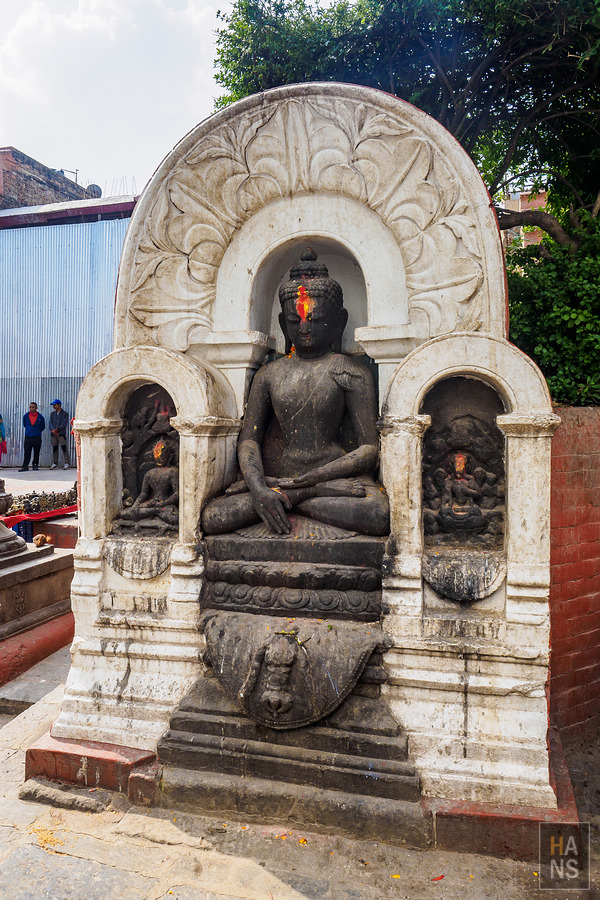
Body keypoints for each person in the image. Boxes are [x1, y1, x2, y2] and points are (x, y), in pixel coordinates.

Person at [202, 249, 389, 537]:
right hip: (281, 478)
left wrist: (313, 481)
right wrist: (258, 487)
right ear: (282, 324)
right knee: (213, 516)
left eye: (315, 319)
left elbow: (368, 450)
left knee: (378, 515)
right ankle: (290, 497)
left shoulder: (351, 373)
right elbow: (249, 440)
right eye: (295, 320)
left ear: (339, 321)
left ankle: (295, 498)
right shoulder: (269, 374)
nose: (304, 328)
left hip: (337, 477)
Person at [19, 402, 45, 472]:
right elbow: (25, 425)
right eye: (30, 407)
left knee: (36, 452)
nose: (31, 408)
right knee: (27, 452)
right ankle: (25, 466)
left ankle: (35, 465)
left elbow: (43, 427)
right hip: (28, 437)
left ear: (36, 408)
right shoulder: (26, 416)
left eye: (33, 407)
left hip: (37, 437)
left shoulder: (40, 417)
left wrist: (37, 431)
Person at [49, 399, 70, 469]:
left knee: (64, 448)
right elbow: (50, 423)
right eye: (53, 405)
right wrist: (53, 430)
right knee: (54, 448)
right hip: (53, 435)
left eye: (55, 405)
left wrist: (57, 429)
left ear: (59, 405)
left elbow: (64, 424)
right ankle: (55, 463)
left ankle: (67, 462)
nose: (54, 406)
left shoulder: (64, 414)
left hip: (61, 434)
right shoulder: (52, 414)